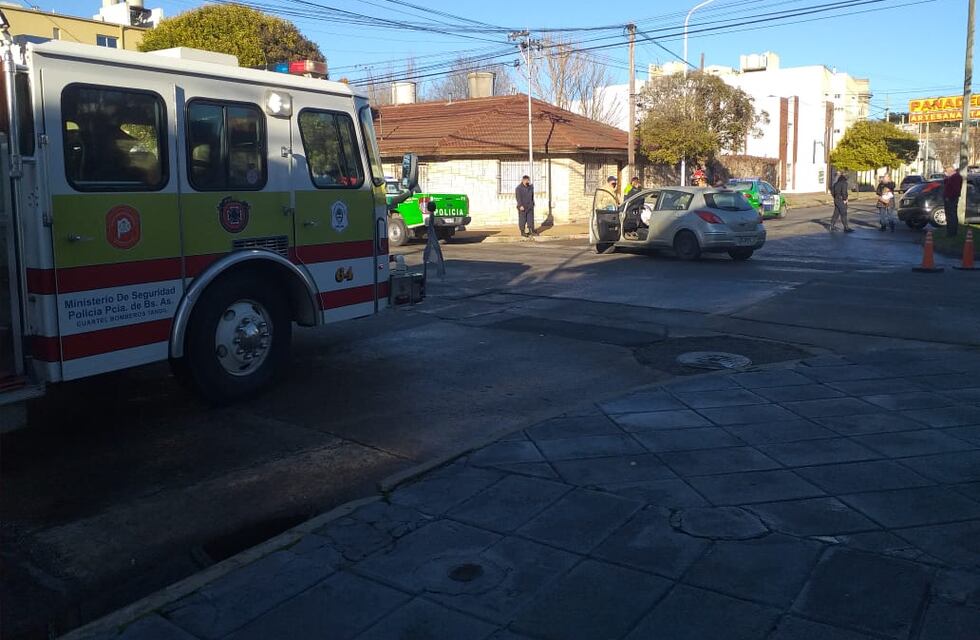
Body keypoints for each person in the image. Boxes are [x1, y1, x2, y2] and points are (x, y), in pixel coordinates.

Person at [943, 165, 963, 237]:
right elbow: (946, 184)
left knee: (951, 215)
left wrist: (949, 197)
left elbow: (955, 189)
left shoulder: (956, 177)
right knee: (950, 215)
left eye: (946, 171)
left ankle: (952, 232)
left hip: (951, 198)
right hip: (949, 197)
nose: (946, 173)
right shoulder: (952, 177)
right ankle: (950, 231)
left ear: (950, 171)